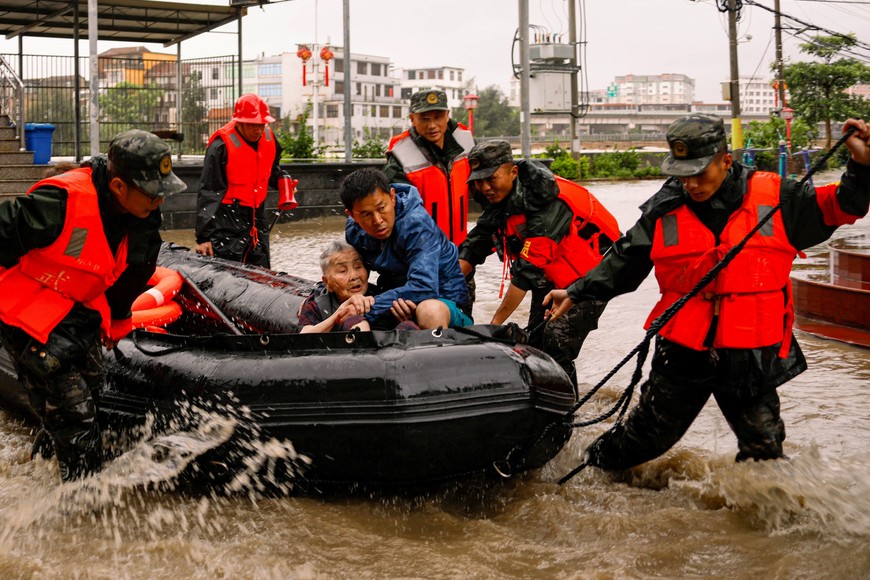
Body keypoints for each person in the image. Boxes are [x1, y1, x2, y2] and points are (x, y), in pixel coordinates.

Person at [544, 114, 870, 472]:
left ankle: (763, 513)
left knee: (764, 446)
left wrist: (860, 164)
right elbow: (625, 259)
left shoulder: (777, 195)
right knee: (648, 436)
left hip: (751, 348)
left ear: (725, 161)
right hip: (684, 346)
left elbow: (843, 206)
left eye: (701, 173)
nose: (692, 184)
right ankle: (589, 470)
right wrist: (576, 291)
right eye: (684, 174)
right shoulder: (664, 208)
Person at [0, 129, 186, 481]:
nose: (159, 202)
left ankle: (42, 466)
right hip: (29, 318)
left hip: (78, 311)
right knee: (75, 416)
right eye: (152, 194)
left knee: (92, 390)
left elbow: (136, 270)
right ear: (118, 187)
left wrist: (118, 319)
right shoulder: (59, 203)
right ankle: (81, 505)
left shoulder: (145, 213)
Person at [457, 140, 619, 386]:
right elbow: (472, 248)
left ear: (513, 172)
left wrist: (494, 325)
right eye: (478, 181)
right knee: (535, 345)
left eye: (491, 178)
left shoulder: (548, 204)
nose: (485, 187)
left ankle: (566, 415)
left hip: (590, 280)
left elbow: (525, 274)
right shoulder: (500, 203)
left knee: (556, 342)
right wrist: (440, 289)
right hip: (550, 281)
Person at [341, 167, 473, 330]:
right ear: (352, 215)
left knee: (429, 310)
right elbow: (356, 276)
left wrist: (371, 306)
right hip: (396, 302)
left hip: (443, 302)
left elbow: (424, 287)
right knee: (352, 313)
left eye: (382, 208)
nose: (378, 221)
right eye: (366, 215)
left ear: (392, 197)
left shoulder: (417, 226)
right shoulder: (354, 231)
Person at [194, 92, 296, 268]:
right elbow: (209, 191)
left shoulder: (269, 139)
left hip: (257, 215)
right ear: (238, 122)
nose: (258, 129)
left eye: (261, 125)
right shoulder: (221, 146)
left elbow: (271, 171)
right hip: (227, 218)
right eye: (252, 125)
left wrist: (282, 181)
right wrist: (204, 237)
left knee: (261, 268)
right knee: (229, 271)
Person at [384, 89, 475, 245]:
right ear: (412, 119)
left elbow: (486, 190)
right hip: (423, 254)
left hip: (461, 251)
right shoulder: (400, 157)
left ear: (447, 115)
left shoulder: (465, 141)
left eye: (438, 117)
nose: (432, 125)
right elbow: (400, 217)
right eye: (424, 119)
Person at [297, 240, 378, 333]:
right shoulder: (317, 302)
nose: (354, 276)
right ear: (327, 282)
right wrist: (339, 314)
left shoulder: (379, 295)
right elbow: (304, 336)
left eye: (358, 266)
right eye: (343, 270)